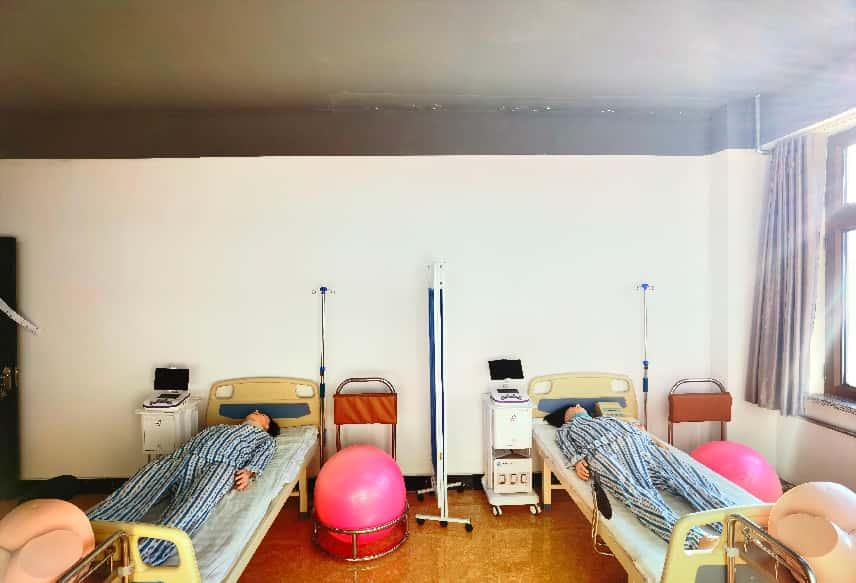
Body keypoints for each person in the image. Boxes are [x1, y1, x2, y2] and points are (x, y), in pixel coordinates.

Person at [88, 410, 280, 565]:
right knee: (139, 487)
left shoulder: (265, 439)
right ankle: (90, 528)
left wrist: (248, 472)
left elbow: (263, 456)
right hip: (182, 459)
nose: (256, 411)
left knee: (194, 505)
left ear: (267, 426)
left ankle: (143, 554)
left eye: (262, 414)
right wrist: (173, 459)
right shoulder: (219, 427)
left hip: (220, 467)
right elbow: (192, 443)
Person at [549, 404, 733, 550]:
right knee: (636, 492)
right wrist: (577, 461)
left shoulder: (608, 418)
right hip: (606, 454)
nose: (578, 405)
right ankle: (693, 539)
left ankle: (734, 520)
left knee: (686, 477)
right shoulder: (567, 428)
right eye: (572, 406)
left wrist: (659, 444)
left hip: (643, 447)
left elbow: (641, 432)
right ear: (565, 417)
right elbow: (566, 446)